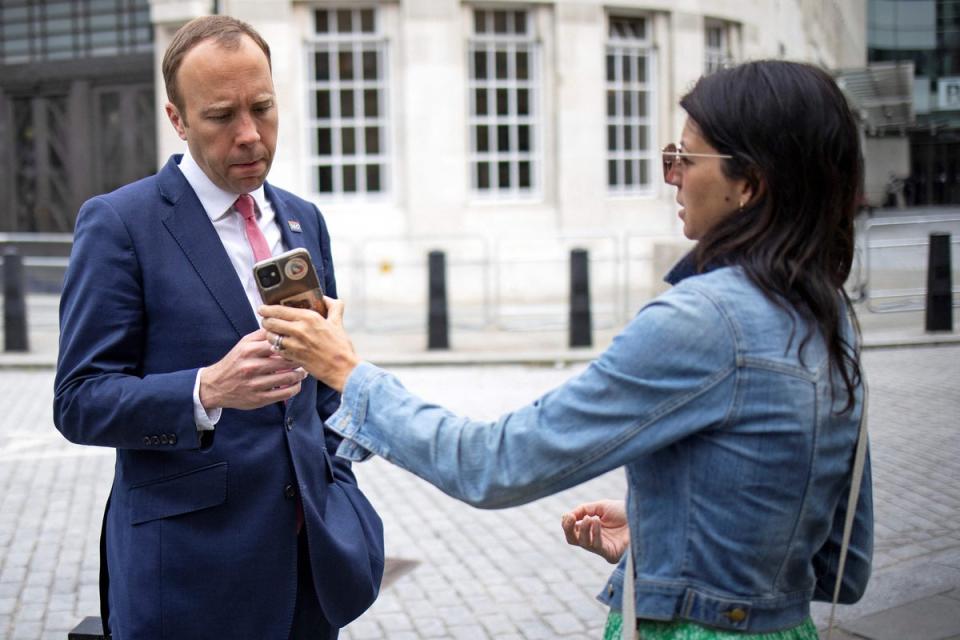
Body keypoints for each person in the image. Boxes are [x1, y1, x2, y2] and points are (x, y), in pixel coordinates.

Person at [259, 60, 873, 638]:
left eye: (684, 155)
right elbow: (844, 564)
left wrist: (347, 371)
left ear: (751, 184)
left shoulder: (705, 320)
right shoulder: (827, 310)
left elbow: (492, 464)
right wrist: (667, 532)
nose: (671, 174)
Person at [53, 16, 383, 640]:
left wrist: (337, 486)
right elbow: (78, 401)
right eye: (221, 115)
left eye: (262, 108)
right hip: (188, 579)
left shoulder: (303, 220)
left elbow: (324, 389)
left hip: (310, 572)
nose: (250, 135)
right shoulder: (121, 224)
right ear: (177, 119)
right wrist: (205, 391)